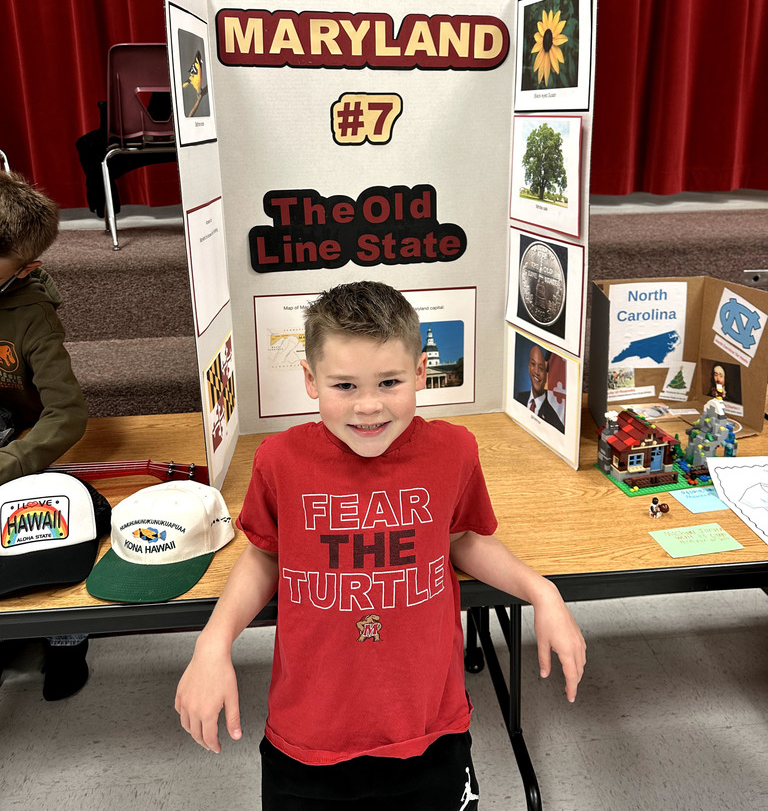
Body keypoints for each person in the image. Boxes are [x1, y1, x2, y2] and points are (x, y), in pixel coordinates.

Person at [175, 281, 586, 810]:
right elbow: (267, 555)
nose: (369, 407)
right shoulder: (279, 461)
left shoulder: (454, 450)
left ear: (420, 373)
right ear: (309, 379)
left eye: (390, 382)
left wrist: (541, 591)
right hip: (307, 740)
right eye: (344, 386)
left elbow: (460, 539)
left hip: (429, 732)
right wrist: (212, 644)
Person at [0, 170, 91, 700]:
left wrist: (12, 462)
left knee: (54, 530)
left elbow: (67, 415)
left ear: (26, 268)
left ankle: (67, 639)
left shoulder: (32, 314)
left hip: (24, 444)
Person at [515, 343, 565, 432]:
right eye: (533, 364)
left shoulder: (554, 419)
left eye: (541, 368)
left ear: (547, 376)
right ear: (528, 367)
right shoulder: (519, 398)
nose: (536, 372)